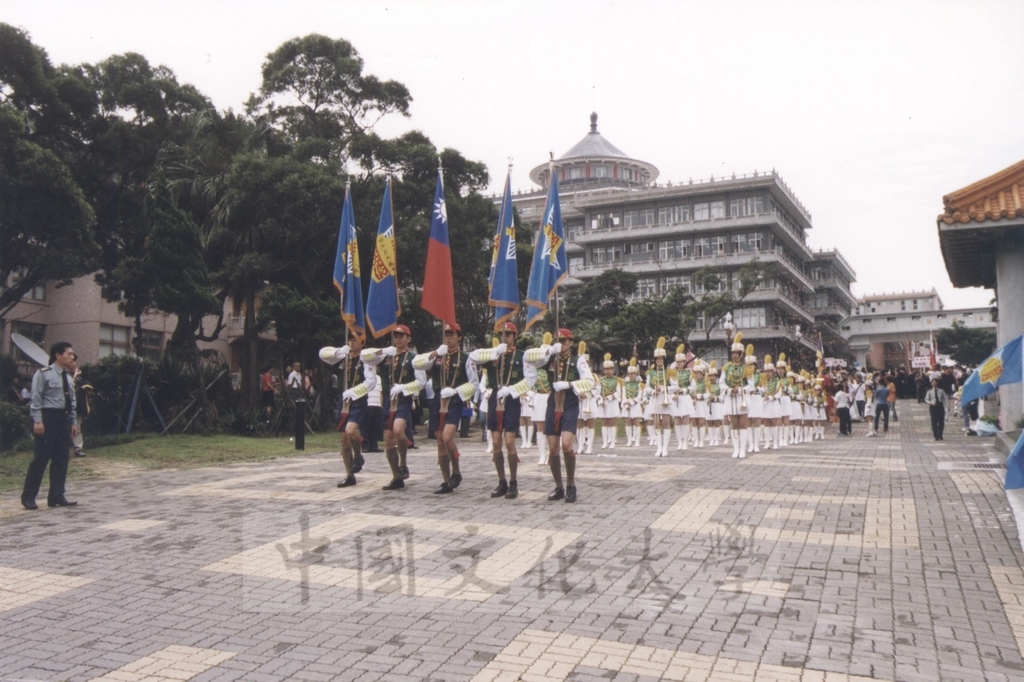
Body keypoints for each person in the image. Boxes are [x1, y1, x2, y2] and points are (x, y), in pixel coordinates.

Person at [525, 329, 594, 503]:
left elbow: (590, 381)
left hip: (570, 402)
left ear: (571, 342)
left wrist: (570, 384)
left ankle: (571, 484)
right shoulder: (550, 358)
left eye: (564, 340)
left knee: (566, 444)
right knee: (553, 447)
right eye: (558, 340)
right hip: (553, 403)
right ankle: (558, 486)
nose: (562, 343)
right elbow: (529, 358)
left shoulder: (579, 361)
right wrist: (549, 350)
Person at [469, 322, 533, 499]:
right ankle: (501, 481)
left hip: (511, 399)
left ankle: (513, 482)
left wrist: (512, 390)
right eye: (502, 335)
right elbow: (473, 357)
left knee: (510, 441)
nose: (506, 338)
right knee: (496, 442)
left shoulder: (522, 356)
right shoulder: (492, 355)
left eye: (509, 335)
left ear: (515, 336)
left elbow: (530, 379)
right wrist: (494, 352)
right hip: (495, 399)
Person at [413, 322, 478, 494]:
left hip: (455, 400)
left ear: (459, 337)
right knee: (440, 440)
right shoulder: (437, 356)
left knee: (448, 437)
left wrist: (455, 390)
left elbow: (474, 384)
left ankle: (456, 472)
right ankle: (446, 480)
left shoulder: (466, 358)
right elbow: (416, 364)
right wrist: (434, 353)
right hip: (437, 400)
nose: (449, 337)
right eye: (446, 334)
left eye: (452, 334)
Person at [319, 331, 381, 487]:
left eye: (356, 340)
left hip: (358, 400)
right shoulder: (344, 356)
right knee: (344, 439)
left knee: (351, 431)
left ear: (363, 343)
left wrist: (353, 392)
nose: (352, 343)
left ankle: (358, 456)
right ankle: (349, 475)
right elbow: (323, 355)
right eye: (350, 339)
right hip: (344, 401)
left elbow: (370, 383)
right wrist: (340, 351)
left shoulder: (366, 360)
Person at [22, 342, 79, 510]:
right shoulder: (43, 374)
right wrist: (38, 420)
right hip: (48, 418)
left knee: (61, 459)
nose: (72, 356)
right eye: (69, 353)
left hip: (64, 419)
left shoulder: (68, 377)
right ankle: (28, 496)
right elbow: (36, 399)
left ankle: (56, 495)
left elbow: (72, 402)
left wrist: (73, 422)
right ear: (58, 356)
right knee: (41, 458)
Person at [377, 324, 426, 489]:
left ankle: (404, 463)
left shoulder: (414, 358)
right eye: (395, 336)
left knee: (398, 430)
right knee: (389, 438)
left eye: (401, 336)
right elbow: (366, 357)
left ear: (408, 339)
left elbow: (421, 382)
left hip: (403, 398)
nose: (398, 339)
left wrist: (403, 388)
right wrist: (383, 351)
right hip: (388, 399)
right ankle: (396, 476)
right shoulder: (387, 356)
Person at [646, 337, 674, 457]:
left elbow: (675, 387)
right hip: (655, 399)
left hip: (665, 399)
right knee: (656, 423)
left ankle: (665, 448)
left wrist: (664, 389)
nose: (659, 361)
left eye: (661, 358)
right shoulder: (651, 373)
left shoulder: (669, 372)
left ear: (664, 359)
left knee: (666, 422)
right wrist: (653, 391)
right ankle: (658, 447)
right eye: (657, 359)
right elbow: (647, 387)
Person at [669, 345, 693, 451]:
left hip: (685, 398)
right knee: (677, 420)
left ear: (684, 362)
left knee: (685, 420)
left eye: (681, 362)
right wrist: (673, 395)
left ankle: (685, 442)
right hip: (675, 399)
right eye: (677, 362)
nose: (679, 364)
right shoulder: (672, 374)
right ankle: (679, 442)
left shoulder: (689, 373)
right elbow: (669, 387)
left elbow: (693, 387)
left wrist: (684, 390)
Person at [597, 354, 623, 450]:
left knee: (612, 422)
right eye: (606, 369)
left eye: (610, 369)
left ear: (613, 369)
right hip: (603, 403)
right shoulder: (600, 380)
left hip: (612, 402)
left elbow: (618, 393)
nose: (608, 371)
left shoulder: (617, 380)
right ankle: (604, 442)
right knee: (604, 422)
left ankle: (612, 441)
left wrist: (609, 397)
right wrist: (600, 400)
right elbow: (597, 392)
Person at [70, 356, 92, 458]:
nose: (72, 363)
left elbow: (89, 387)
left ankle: (78, 448)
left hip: (77, 406)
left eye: (74, 361)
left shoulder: (81, 376)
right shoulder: (63, 375)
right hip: (63, 407)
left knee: (77, 427)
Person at [621, 359, 644, 447]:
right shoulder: (625, 384)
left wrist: (632, 402)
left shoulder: (639, 384)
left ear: (636, 374)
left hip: (635, 405)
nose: (631, 375)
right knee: (628, 422)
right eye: (629, 374)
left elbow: (639, 395)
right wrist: (626, 403)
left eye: (633, 374)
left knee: (636, 422)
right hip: (627, 405)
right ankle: (629, 440)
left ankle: (637, 440)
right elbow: (623, 395)